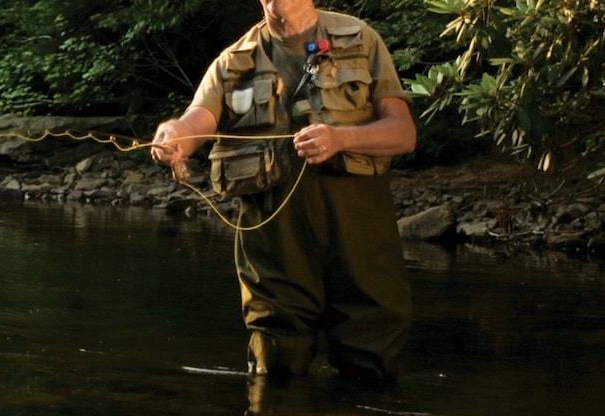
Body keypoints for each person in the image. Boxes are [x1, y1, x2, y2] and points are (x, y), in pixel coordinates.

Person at [150, 0, 416, 385]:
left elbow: (403, 133)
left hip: (359, 243)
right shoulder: (232, 62)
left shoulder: (362, 40)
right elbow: (198, 120)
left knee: (370, 368)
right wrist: (174, 136)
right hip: (273, 253)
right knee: (274, 373)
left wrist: (341, 139)